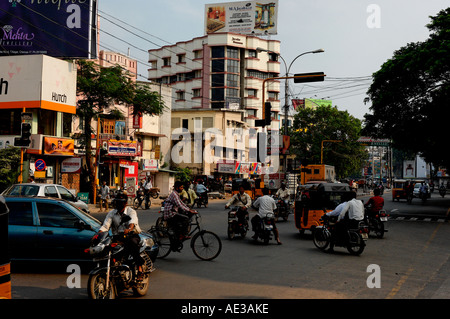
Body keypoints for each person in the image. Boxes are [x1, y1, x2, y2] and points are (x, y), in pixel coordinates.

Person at [98, 192, 144, 276]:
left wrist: (129, 229)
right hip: (118, 236)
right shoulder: (112, 213)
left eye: (121, 202)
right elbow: (105, 226)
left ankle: (140, 268)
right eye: (117, 202)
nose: (118, 204)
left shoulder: (131, 211)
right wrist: (98, 234)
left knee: (133, 244)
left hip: (131, 235)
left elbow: (132, 221)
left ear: (125, 203)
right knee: (107, 247)